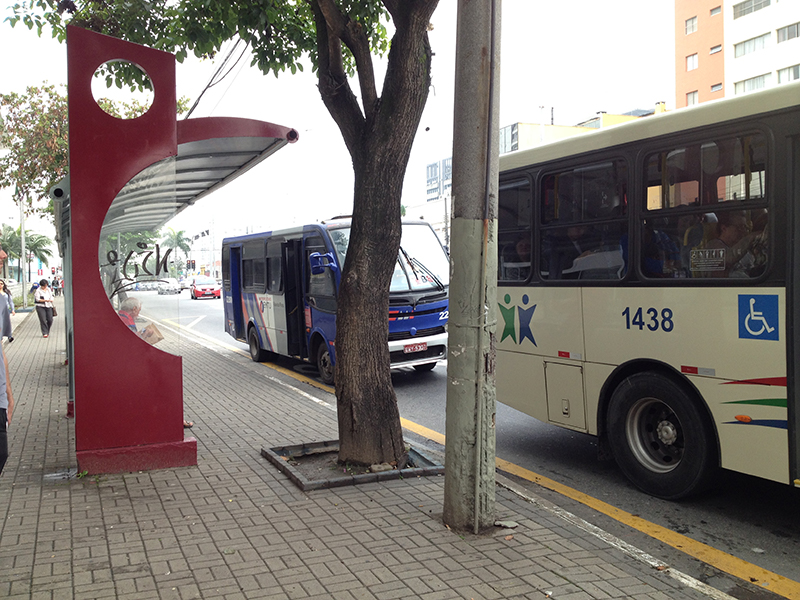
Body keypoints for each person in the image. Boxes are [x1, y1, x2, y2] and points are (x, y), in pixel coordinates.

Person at [117, 297, 194, 429]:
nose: (139, 314)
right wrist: (145, 335)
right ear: (134, 309)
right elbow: (132, 345)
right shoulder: (127, 320)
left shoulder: (120, 317)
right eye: (139, 310)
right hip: (130, 368)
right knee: (165, 386)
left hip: (125, 366)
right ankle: (174, 419)